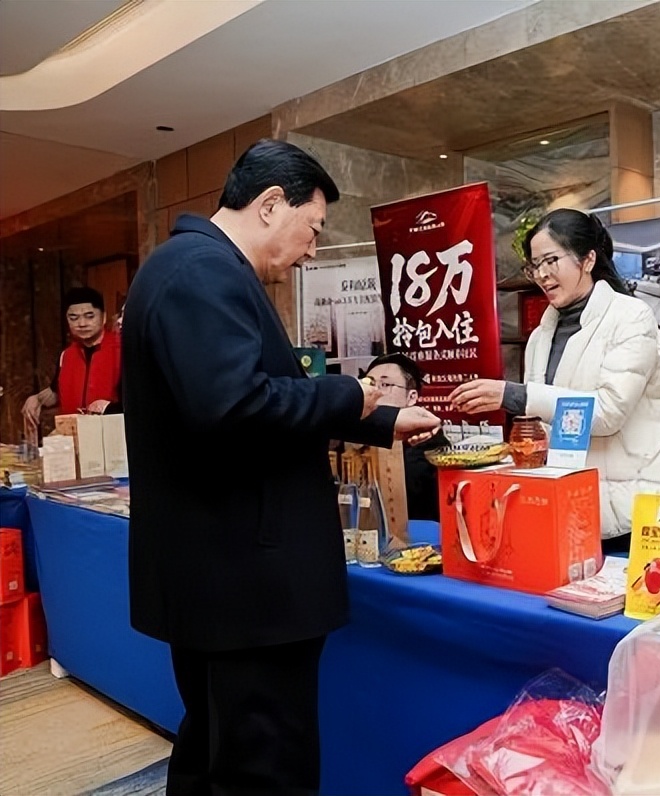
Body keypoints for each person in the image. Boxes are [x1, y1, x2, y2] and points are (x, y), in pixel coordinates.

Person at [121, 139, 441, 796]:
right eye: (313, 227)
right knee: (262, 768)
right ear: (271, 205)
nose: (312, 249)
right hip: (246, 581)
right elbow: (235, 407)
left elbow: (260, 395)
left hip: (223, 577)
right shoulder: (203, 274)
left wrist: (379, 419)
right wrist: (348, 394)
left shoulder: (192, 267)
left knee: (217, 750)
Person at [449, 208, 660, 551]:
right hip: (581, 507)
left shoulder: (630, 317)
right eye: (534, 265)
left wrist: (515, 396)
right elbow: (550, 423)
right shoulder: (540, 336)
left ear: (587, 260)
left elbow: (608, 413)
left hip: (645, 508)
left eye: (551, 261)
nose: (542, 275)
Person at [359, 351, 449, 521]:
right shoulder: (352, 439)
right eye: (369, 383)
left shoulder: (430, 445)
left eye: (385, 384)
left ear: (411, 397)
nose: (374, 392)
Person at [22, 287, 122, 428]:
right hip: (72, 434)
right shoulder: (66, 355)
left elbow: (139, 401)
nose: (82, 324)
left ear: (104, 317)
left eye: (89, 316)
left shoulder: (122, 351)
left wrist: (110, 408)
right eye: (73, 318)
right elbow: (55, 392)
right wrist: (37, 399)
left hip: (111, 433)